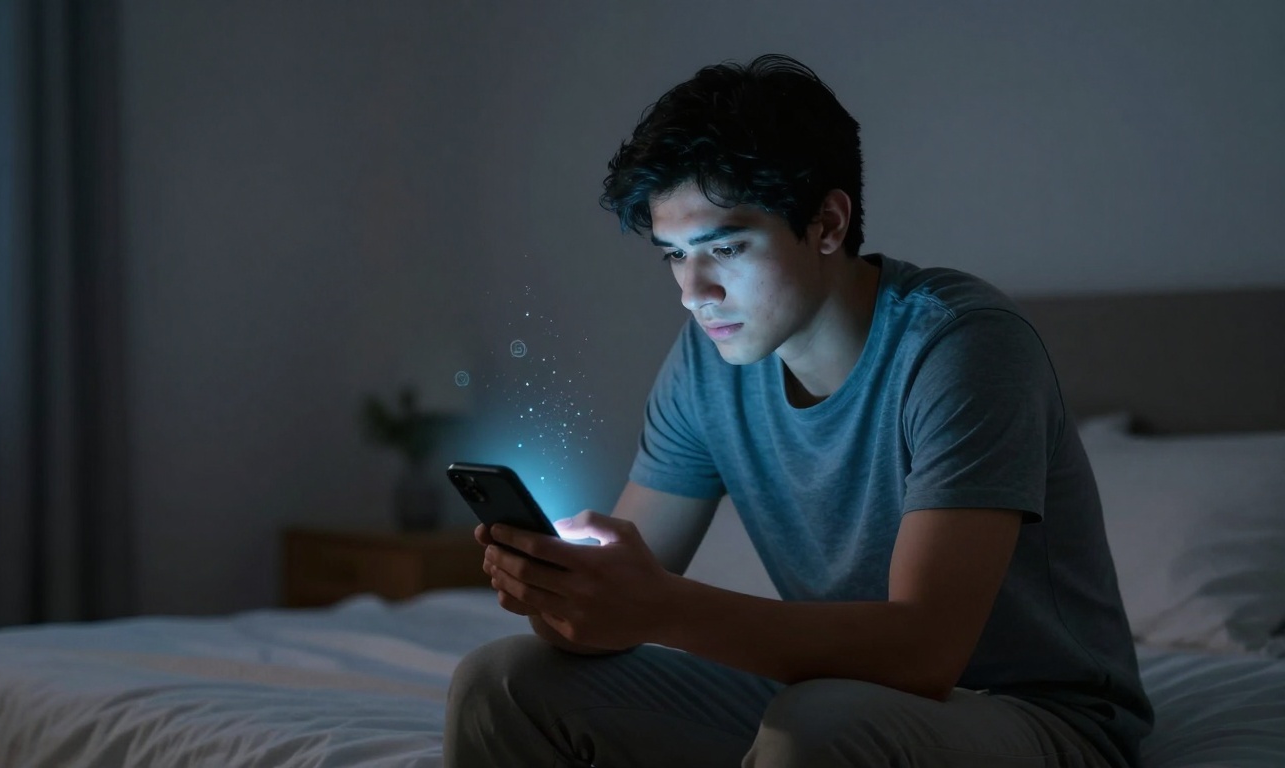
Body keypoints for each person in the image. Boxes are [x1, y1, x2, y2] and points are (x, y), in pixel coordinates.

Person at [443, 53, 1153, 768]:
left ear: (827, 223)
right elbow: (626, 601)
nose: (695, 291)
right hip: (833, 698)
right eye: (673, 256)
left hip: (1037, 718)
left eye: (725, 247)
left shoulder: (962, 346)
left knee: (819, 724)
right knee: (500, 683)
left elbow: (927, 653)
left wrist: (659, 606)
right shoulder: (706, 363)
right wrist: (563, 595)